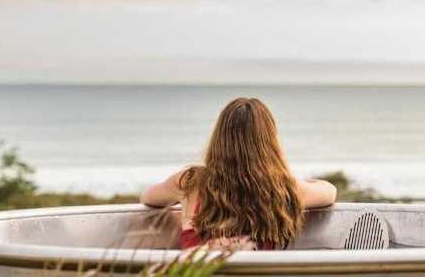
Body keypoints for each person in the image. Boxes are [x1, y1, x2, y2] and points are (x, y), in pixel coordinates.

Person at [140, 97, 337, 250]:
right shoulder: (283, 188)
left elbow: (148, 197)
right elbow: (330, 191)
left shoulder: (190, 182)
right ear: (269, 143)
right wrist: (299, 182)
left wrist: (185, 210)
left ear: (219, 139)